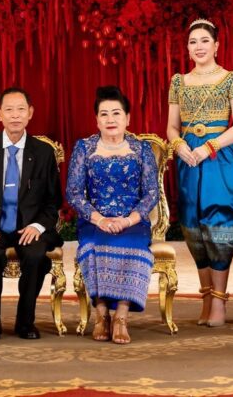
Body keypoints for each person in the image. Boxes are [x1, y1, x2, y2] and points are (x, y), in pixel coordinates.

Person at [0, 87, 64, 341]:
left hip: (28, 228)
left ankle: (25, 321)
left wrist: (38, 226)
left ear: (30, 113)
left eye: (21, 109)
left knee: (36, 255)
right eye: (9, 110)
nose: (15, 115)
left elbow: (53, 202)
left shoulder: (43, 152)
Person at [166, 18, 233, 327]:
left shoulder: (232, 78)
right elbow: (171, 126)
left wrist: (209, 147)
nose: (198, 47)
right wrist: (178, 145)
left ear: (216, 45)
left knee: (219, 222)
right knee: (193, 226)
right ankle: (206, 298)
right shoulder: (178, 81)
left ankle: (220, 302)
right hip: (189, 159)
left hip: (218, 156)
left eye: (204, 41)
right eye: (193, 42)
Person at [67, 86, 158, 345]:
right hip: (95, 220)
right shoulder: (85, 148)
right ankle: (101, 314)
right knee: (94, 246)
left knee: (133, 246)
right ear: (96, 119)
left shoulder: (141, 149)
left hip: (133, 221)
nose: (110, 119)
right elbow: (74, 193)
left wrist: (129, 220)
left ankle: (121, 317)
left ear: (127, 118)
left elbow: (151, 193)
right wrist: (100, 219)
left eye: (116, 113)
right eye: (104, 114)